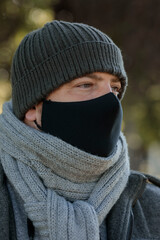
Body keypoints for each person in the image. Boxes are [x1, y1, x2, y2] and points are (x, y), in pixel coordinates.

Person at [0, 20, 159, 240]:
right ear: (32, 107)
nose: (110, 102)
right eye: (85, 85)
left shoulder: (151, 204)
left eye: (114, 88)